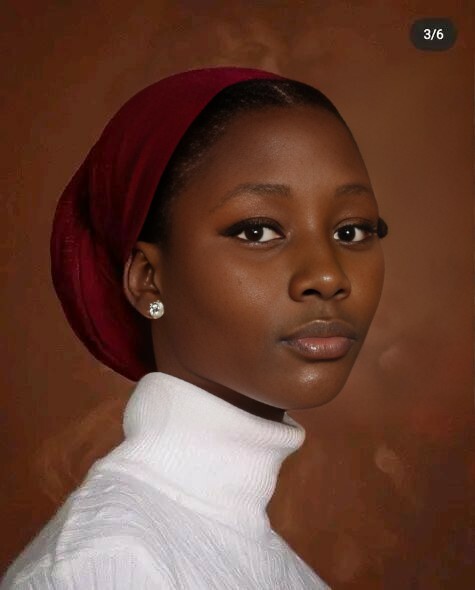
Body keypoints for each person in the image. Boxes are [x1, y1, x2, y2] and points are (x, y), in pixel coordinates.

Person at [1, 66, 388, 589]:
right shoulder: (108, 566)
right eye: (258, 231)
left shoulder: (263, 558)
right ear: (148, 280)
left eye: (352, 230)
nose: (327, 275)